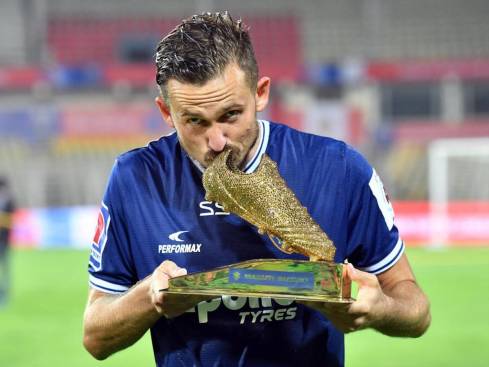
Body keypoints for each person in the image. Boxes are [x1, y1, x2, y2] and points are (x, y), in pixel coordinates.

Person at [83, 12, 431, 367]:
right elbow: (95, 336)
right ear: (166, 112)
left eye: (231, 115)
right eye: (195, 121)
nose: (217, 141)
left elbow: (416, 311)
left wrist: (379, 309)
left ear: (260, 93)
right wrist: (148, 296)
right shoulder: (137, 179)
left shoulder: (338, 169)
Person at [0, 176, 15, 306]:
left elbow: (11, 220)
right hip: (4, 240)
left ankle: (4, 294)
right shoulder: (8, 199)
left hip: (3, 240)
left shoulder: (8, 200)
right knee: (4, 268)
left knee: (4, 268)